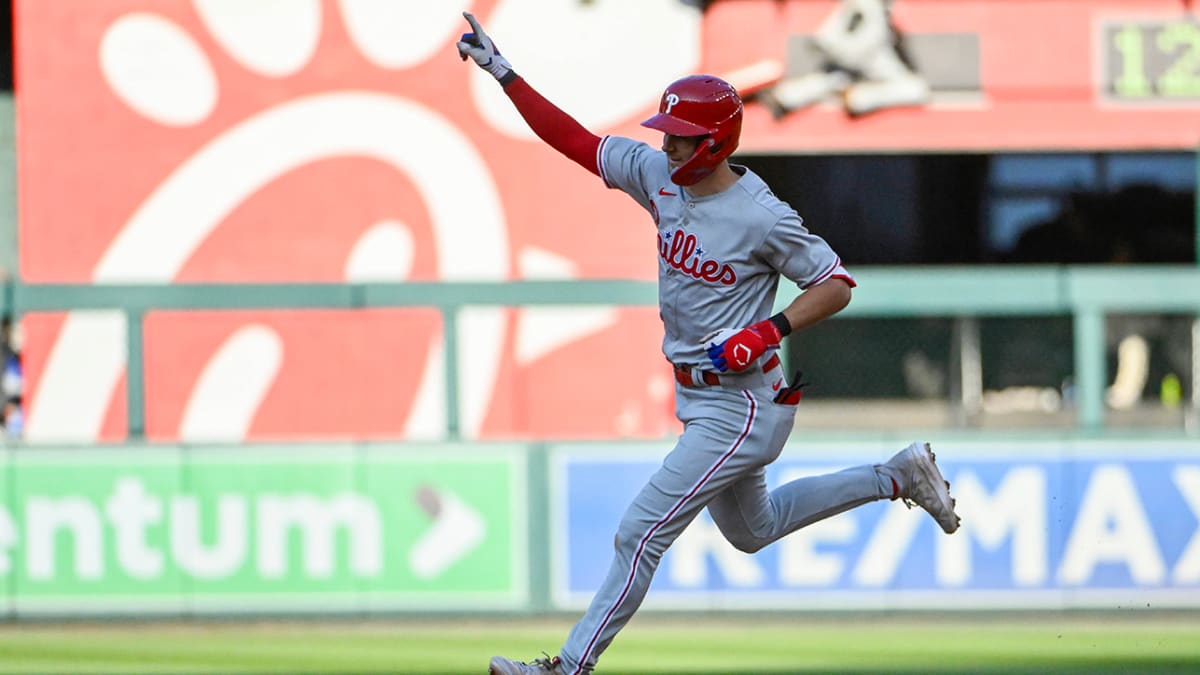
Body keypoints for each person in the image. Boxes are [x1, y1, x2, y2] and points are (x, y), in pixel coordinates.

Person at [457, 13, 960, 675]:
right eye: (666, 137)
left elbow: (836, 282)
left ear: (715, 144)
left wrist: (767, 329)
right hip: (702, 398)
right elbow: (577, 142)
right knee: (754, 529)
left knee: (640, 530)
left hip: (744, 402)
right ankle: (896, 474)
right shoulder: (658, 176)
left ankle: (567, 666)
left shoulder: (761, 214)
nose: (666, 149)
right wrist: (506, 75)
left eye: (681, 140)